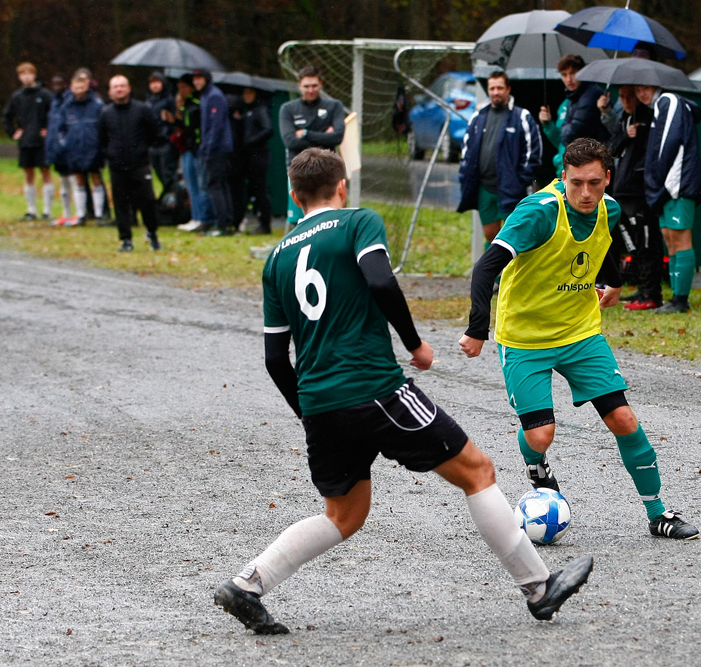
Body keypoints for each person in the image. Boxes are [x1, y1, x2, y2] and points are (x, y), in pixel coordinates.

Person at [213, 147, 594, 634]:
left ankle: (247, 584)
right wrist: (415, 344)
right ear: (342, 187)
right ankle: (540, 589)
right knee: (477, 470)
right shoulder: (357, 222)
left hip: (320, 401)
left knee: (344, 514)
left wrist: (308, 411)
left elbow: (273, 358)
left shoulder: (277, 257)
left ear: (294, 196)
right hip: (373, 385)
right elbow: (379, 280)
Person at [458, 138, 699, 542]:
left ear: (608, 177)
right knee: (540, 435)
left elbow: (600, 244)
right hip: (525, 337)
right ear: (562, 178)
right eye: (575, 184)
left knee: (623, 418)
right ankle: (536, 464)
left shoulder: (609, 207)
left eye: (593, 183)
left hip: (580, 332)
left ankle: (659, 513)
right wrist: (477, 328)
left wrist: (615, 283)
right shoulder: (538, 213)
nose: (585, 194)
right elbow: (485, 270)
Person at [636, 84, 701, 314]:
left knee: (680, 238)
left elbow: (672, 146)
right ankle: (676, 298)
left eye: (645, 87)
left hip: (678, 186)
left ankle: (681, 300)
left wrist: (665, 186)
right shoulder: (658, 107)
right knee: (670, 238)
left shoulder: (669, 101)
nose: (642, 93)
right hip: (666, 188)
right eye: (637, 89)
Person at [457, 71, 542, 245]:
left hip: (512, 189)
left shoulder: (521, 117)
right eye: (492, 88)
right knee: (490, 236)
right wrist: (466, 177)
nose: (496, 92)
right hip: (485, 188)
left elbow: (534, 152)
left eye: (500, 88)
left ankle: (512, 272)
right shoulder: (478, 117)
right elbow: (466, 150)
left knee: (513, 237)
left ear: (508, 89)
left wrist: (520, 182)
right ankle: (492, 272)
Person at [598, 86, 662, 310]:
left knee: (646, 243)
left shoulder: (648, 118)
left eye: (629, 97)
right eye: (622, 97)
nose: (625, 101)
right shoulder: (624, 119)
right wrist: (626, 135)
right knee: (631, 244)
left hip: (639, 192)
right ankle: (642, 289)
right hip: (622, 191)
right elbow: (609, 149)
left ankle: (651, 293)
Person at [98, 75, 161, 253]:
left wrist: (141, 150)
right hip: (117, 165)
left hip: (139, 164)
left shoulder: (142, 110)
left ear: (129, 88)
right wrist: (111, 154)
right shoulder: (106, 113)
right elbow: (102, 138)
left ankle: (152, 233)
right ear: (110, 91)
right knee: (120, 203)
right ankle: (126, 239)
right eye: (115, 87)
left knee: (148, 200)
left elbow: (153, 133)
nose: (119, 89)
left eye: (122, 86)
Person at [278, 66, 346, 224]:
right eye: (306, 86)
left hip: (329, 169)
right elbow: (290, 141)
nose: (310, 90)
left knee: (331, 219)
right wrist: (324, 134)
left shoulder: (334, 106)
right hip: (299, 170)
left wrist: (306, 133)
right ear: (299, 86)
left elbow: (337, 137)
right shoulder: (288, 109)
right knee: (300, 220)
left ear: (321, 84)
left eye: (314, 86)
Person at [538, 55, 608, 178]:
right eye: (564, 75)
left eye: (573, 73)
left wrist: (565, 131)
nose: (569, 79)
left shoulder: (591, 95)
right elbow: (561, 141)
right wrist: (548, 125)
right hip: (565, 168)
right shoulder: (568, 102)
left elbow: (571, 136)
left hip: (584, 169)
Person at [2, 62, 54, 222]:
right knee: (28, 174)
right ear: (19, 77)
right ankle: (31, 210)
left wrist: (49, 130)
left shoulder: (45, 95)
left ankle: (47, 210)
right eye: (23, 74)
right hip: (25, 142)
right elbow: (6, 116)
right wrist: (14, 132)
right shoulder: (17, 96)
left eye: (29, 73)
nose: (26, 77)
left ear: (34, 75)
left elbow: (55, 114)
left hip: (41, 142)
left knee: (46, 173)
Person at [54, 71, 106, 227]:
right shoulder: (67, 106)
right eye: (76, 86)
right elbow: (61, 129)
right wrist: (66, 144)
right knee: (79, 181)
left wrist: (100, 143)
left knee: (96, 179)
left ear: (87, 86)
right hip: (75, 149)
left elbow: (103, 126)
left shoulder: (96, 104)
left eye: (82, 86)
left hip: (94, 148)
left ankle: (99, 215)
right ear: (71, 87)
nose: (79, 89)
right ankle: (81, 215)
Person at [192, 69, 234, 236]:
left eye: (199, 78)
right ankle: (226, 223)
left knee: (216, 186)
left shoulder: (214, 96)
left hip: (218, 150)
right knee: (220, 185)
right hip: (215, 148)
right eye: (194, 79)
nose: (196, 82)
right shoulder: (205, 96)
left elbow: (216, 127)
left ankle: (222, 224)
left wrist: (208, 148)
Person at [232, 87, 274, 235]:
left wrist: (250, 141)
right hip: (247, 157)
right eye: (245, 93)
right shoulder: (244, 112)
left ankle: (265, 224)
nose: (247, 96)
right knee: (249, 190)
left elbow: (268, 129)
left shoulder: (260, 110)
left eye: (250, 93)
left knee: (260, 191)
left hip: (258, 156)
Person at [173, 76, 210, 233]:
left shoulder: (197, 104)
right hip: (186, 149)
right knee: (190, 185)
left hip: (196, 150)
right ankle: (195, 217)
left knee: (200, 185)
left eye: (184, 87)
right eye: (179, 88)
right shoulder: (184, 106)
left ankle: (202, 218)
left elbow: (194, 128)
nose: (182, 91)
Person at [45, 73, 75, 226]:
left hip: (69, 148)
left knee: (73, 180)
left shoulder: (70, 101)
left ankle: (78, 213)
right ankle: (66, 213)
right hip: (57, 148)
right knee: (63, 182)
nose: (57, 87)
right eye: (54, 84)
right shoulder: (54, 102)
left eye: (60, 84)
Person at [145, 72, 179, 201]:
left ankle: (175, 200)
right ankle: (168, 198)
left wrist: (169, 118)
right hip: (153, 143)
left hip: (166, 141)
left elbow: (174, 120)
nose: (154, 85)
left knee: (168, 173)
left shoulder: (170, 100)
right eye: (152, 83)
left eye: (157, 82)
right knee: (159, 172)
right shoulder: (148, 101)